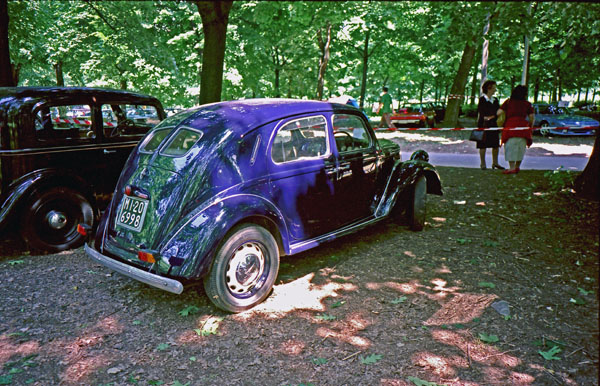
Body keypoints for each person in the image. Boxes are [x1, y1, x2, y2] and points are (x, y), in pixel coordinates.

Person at [496, 85, 534, 174]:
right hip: (523, 127)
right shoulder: (527, 104)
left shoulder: (508, 102)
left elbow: (499, 112)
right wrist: (530, 126)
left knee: (510, 147)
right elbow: (532, 117)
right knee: (521, 147)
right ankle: (517, 167)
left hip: (510, 126)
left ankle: (511, 167)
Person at [476, 80, 504, 170]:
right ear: (489, 88)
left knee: (495, 144)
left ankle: (495, 163)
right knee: (483, 145)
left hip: (493, 124)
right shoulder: (482, 99)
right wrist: (491, 116)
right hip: (483, 125)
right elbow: (482, 113)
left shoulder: (495, 100)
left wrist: (492, 117)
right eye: (494, 87)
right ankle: (483, 164)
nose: (495, 90)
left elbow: (497, 113)